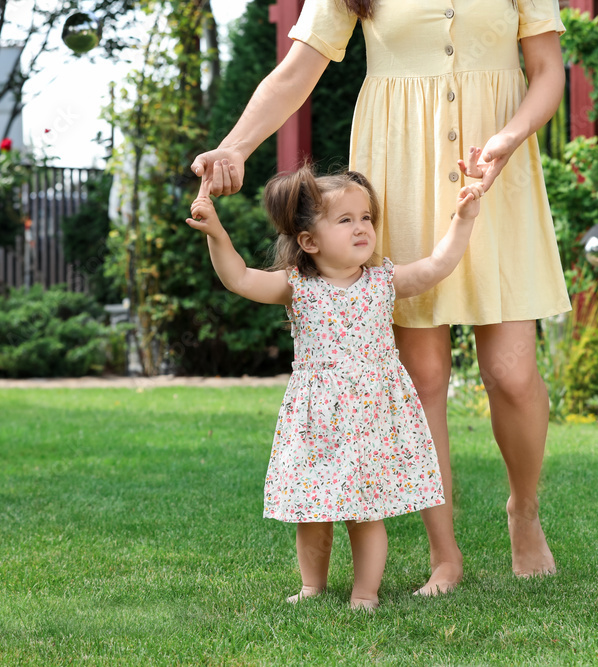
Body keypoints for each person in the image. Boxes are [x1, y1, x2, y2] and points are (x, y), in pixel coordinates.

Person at [191, 0, 569, 594]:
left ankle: (523, 508)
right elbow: (298, 68)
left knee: (513, 373)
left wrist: (507, 137)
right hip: (400, 171)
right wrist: (236, 146)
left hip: (497, 170)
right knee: (423, 378)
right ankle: (446, 556)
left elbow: (548, 71)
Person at [186, 161, 484, 609]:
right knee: (313, 511)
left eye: (366, 218)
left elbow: (437, 266)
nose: (362, 227)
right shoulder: (299, 288)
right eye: (346, 220)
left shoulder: (383, 281)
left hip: (370, 419)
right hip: (317, 421)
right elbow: (240, 277)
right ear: (309, 241)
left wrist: (463, 219)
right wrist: (216, 235)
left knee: (365, 513)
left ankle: (366, 593)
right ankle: (312, 586)